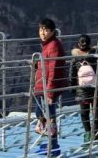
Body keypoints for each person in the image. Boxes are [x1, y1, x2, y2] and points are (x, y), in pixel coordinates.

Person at [33, 18, 66, 156]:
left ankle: (53, 145)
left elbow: (54, 68)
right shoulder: (48, 44)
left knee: (45, 114)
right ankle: (52, 143)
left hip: (48, 87)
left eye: (46, 30)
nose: (43, 33)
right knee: (47, 114)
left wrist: (50, 92)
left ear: (52, 31)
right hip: (43, 85)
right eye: (41, 30)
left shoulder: (53, 45)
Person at [69, 34, 98, 144]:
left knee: (84, 113)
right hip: (96, 89)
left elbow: (72, 74)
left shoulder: (75, 57)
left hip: (81, 89)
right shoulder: (96, 54)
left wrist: (73, 88)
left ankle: (88, 133)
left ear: (78, 44)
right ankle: (96, 133)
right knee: (97, 111)